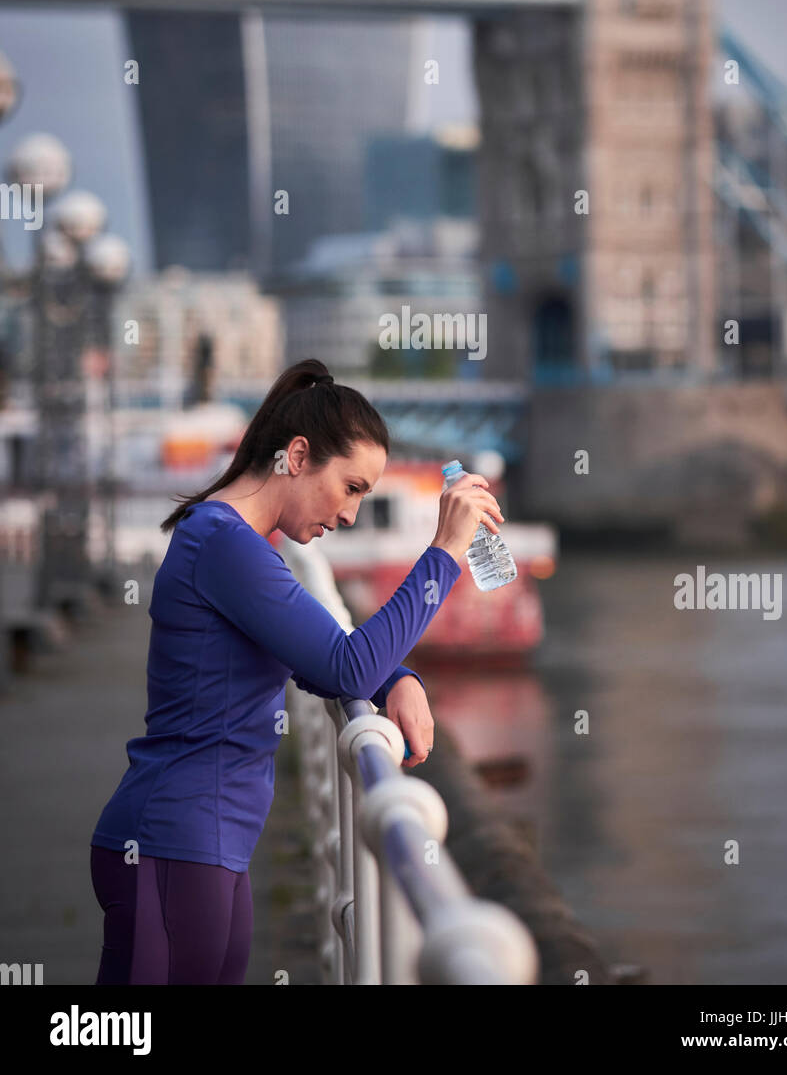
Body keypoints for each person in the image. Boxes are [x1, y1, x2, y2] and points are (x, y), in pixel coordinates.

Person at [89, 358, 503, 985]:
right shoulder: (222, 542)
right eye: (352, 487)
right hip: (172, 838)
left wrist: (399, 679)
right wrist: (445, 551)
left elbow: (327, 654)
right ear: (300, 456)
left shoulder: (246, 545)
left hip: (209, 842)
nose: (350, 516)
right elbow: (344, 665)